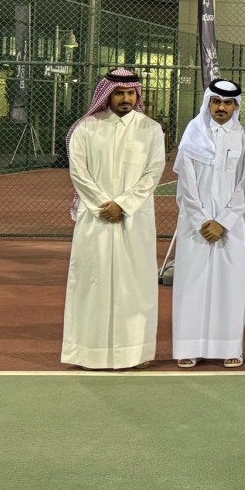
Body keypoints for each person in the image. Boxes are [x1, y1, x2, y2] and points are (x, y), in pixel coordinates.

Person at [61, 67, 166, 370]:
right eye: (119, 93)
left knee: (133, 286)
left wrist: (123, 204)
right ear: (107, 94)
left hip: (134, 219)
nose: (125, 98)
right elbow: (78, 172)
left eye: (130, 93)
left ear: (137, 94)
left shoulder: (151, 130)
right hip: (96, 219)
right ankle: (87, 352)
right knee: (91, 284)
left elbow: (153, 173)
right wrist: (101, 205)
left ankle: (133, 353)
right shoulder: (86, 129)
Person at [172, 79, 245, 369]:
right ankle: (189, 345)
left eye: (228, 103)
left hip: (232, 226)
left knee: (230, 284)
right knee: (192, 283)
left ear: (236, 106)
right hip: (195, 225)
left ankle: (229, 346)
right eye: (216, 102)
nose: (221, 108)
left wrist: (224, 221)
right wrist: (201, 219)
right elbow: (186, 183)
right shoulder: (194, 134)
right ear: (208, 103)